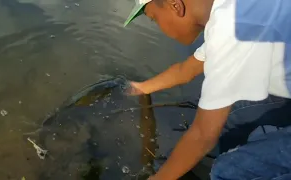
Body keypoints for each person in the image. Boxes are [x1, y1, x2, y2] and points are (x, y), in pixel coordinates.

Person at [123, 0, 291, 179]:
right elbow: (186, 70)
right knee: (228, 117)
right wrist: (141, 88)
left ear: (176, 6)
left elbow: (203, 135)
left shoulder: (231, 29)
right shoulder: (227, 11)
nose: (158, 26)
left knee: (227, 171)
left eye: (154, 19)